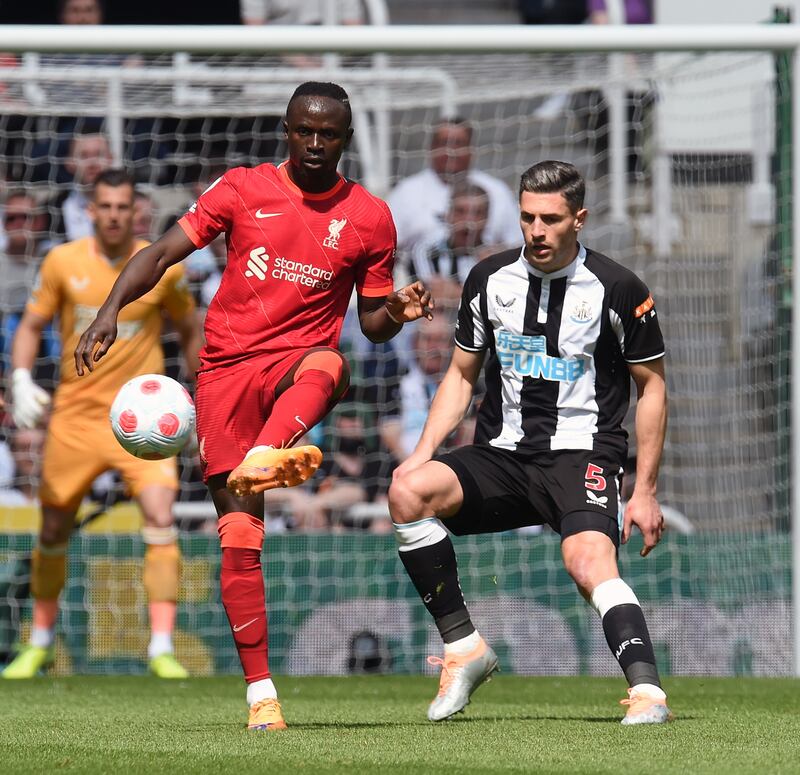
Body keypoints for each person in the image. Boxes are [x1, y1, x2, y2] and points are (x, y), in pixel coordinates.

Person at [74, 82, 434, 731]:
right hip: (224, 374)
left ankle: (267, 452)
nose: (316, 143)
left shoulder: (372, 217)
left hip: (296, 366)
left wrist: (397, 313)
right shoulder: (241, 188)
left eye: (329, 134)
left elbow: (373, 321)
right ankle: (261, 693)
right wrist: (109, 311)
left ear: (346, 140)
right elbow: (159, 253)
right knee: (240, 538)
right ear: (287, 130)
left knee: (332, 363)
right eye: (305, 131)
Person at [388, 160, 672, 725]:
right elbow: (462, 376)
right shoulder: (489, 279)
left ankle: (647, 693)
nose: (536, 230)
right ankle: (465, 649)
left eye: (550, 218)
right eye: (527, 218)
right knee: (406, 491)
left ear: (579, 219)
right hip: (503, 455)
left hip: (583, 454)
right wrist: (420, 455)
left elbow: (652, 388)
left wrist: (644, 491)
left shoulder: (620, 289)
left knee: (588, 560)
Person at [2, 168, 201, 681]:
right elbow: (30, 326)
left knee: (160, 517)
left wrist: (203, 397)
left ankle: (160, 647)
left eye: (122, 207)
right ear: (91, 210)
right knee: (52, 525)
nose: (114, 215)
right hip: (76, 419)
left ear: (135, 211)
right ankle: (40, 643)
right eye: (105, 206)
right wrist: (20, 378)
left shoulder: (164, 268)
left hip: (146, 425)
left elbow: (189, 328)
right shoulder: (62, 262)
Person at [388, 118, 520, 254]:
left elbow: (516, 244)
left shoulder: (496, 191)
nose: (451, 151)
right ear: (432, 148)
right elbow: (388, 246)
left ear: (471, 149)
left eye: (459, 143)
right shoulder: (406, 192)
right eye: (444, 143)